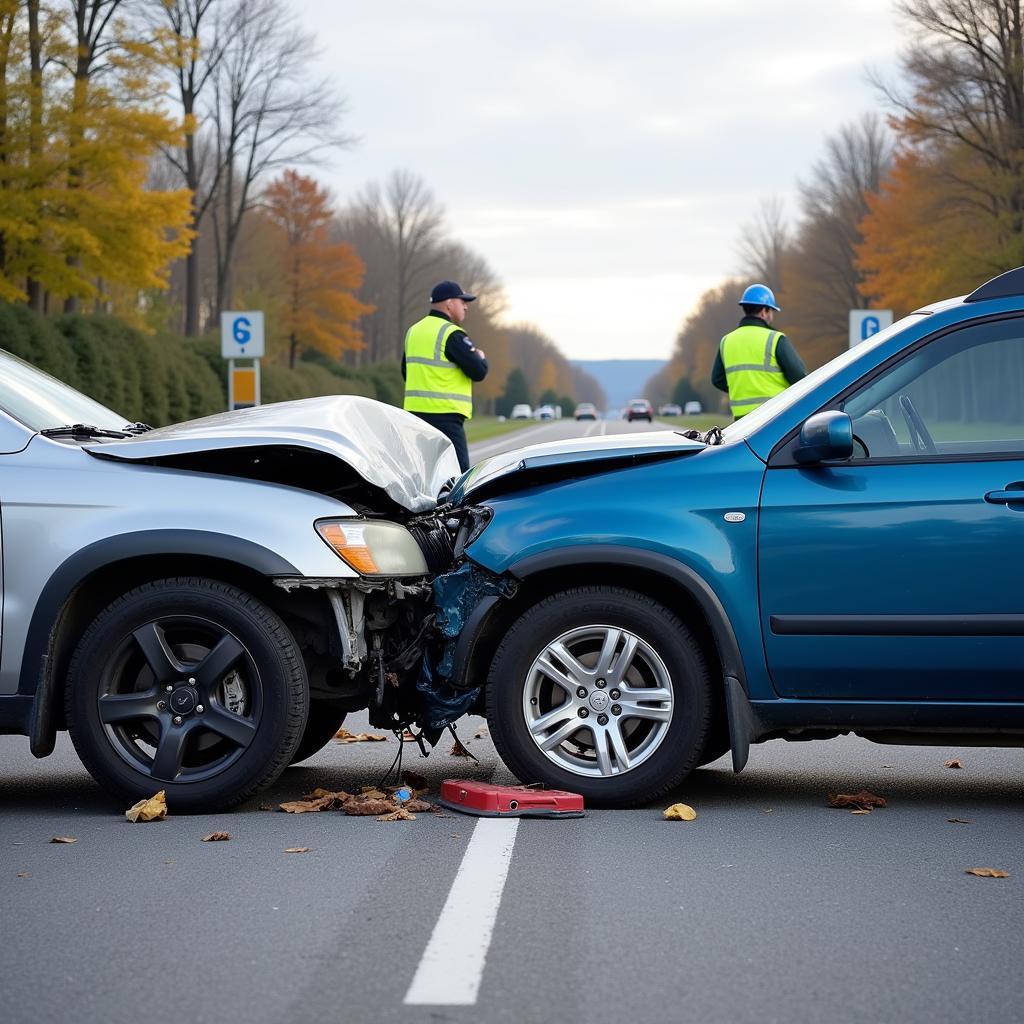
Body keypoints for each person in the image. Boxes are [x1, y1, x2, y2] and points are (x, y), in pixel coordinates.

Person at [402, 280, 488, 472]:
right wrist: (481, 357)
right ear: (449, 304)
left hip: (413, 418)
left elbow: (405, 372)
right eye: (462, 301)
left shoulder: (413, 332)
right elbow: (478, 371)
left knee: (423, 475)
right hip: (446, 419)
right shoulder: (451, 334)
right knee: (457, 476)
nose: (466, 306)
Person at [712, 283, 807, 419]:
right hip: (774, 416)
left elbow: (717, 379)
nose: (771, 316)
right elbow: (800, 377)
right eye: (771, 311)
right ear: (764, 312)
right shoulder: (775, 339)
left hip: (741, 421)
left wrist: (741, 388)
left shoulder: (726, 341)